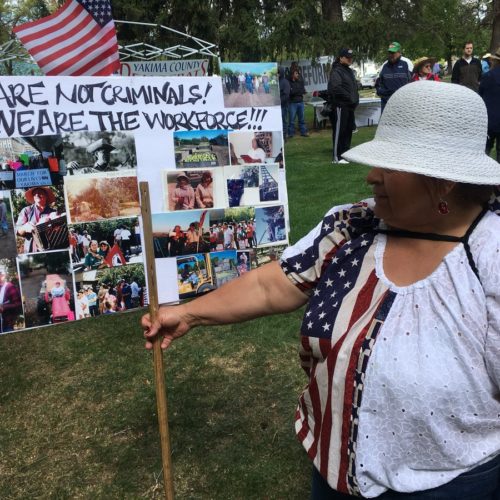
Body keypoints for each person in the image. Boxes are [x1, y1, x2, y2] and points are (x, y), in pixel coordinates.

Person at [143, 81, 500, 499]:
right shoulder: (352, 227)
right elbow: (270, 284)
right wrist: (188, 313)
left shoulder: (489, 254)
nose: (371, 177)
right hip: (333, 471)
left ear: (444, 182)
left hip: (448, 485)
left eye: (389, 166)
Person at [327, 48, 360, 164]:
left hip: (350, 106)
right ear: (341, 58)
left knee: (348, 130)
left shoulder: (349, 71)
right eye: (347, 57)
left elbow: (352, 87)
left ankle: (345, 154)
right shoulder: (336, 71)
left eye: (351, 57)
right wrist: (349, 97)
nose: (350, 59)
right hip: (341, 105)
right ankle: (337, 157)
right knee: (339, 131)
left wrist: (355, 98)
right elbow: (336, 88)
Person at [15, 186, 58, 253]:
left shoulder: (53, 212)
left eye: (40, 193)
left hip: (51, 248)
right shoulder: (26, 210)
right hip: (32, 249)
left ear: (46, 196)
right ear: (33, 198)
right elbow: (17, 231)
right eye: (34, 194)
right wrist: (24, 227)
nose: (37, 195)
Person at [376, 41, 412, 113]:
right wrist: (383, 93)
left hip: (403, 103)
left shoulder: (406, 64)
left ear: (399, 53)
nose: (391, 55)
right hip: (386, 103)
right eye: (390, 52)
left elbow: (412, 82)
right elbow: (378, 84)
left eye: (393, 53)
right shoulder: (384, 66)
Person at [479, 47, 500, 163]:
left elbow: (480, 95)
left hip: (489, 119)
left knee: (486, 149)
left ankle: (483, 176)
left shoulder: (488, 76)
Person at [0, 266, 22, 334]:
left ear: (2, 275)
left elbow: (19, 304)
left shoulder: (9, 287)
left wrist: (4, 307)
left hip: (6, 325)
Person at [288, 68, 309, 138]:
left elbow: (303, 91)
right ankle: (291, 133)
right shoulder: (289, 83)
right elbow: (290, 93)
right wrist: (297, 91)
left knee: (302, 119)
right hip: (292, 103)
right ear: (292, 75)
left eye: (298, 73)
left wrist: (295, 91)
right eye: (296, 73)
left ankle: (303, 132)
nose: (297, 75)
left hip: (300, 102)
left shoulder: (300, 81)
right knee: (291, 120)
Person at [279, 67, 291, 136]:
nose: (277, 74)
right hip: (277, 106)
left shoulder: (285, 82)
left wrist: (279, 102)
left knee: (283, 121)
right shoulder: (277, 81)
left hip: (283, 105)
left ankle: (284, 135)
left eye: (278, 72)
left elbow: (286, 95)